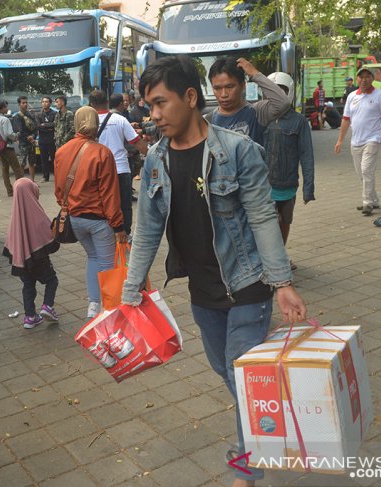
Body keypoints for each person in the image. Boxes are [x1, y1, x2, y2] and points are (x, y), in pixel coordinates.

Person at [122, 55, 306, 487]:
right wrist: (131, 293)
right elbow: (146, 230)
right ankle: (272, 416)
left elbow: (263, 217)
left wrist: (282, 283)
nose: (153, 115)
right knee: (228, 373)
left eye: (160, 104)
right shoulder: (155, 161)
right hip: (202, 291)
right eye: (148, 106)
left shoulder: (238, 151)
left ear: (189, 98)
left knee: (241, 376)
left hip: (247, 283)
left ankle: (247, 468)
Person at [54, 106, 127, 318]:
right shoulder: (102, 153)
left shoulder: (61, 151)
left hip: (74, 219)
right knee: (106, 264)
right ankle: (108, 311)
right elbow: (110, 194)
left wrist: (67, 205)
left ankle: (93, 306)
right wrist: (118, 226)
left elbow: (59, 190)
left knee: (93, 257)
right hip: (99, 220)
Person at [264, 72, 315, 270]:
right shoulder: (259, 117)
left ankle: (280, 256)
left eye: (281, 91)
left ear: (289, 93)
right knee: (266, 224)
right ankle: (269, 259)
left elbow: (307, 155)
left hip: (287, 184)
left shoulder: (299, 122)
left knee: (284, 222)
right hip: (262, 184)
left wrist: (308, 188)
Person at [334, 66, 381, 216]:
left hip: (373, 138)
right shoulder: (352, 96)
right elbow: (346, 120)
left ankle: (367, 203)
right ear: (357, 79)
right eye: (361, 77)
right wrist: (340, 140)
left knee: (366, 170)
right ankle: (374, 199)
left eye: (367, 76)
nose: (364, 79)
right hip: (356, 141)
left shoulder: (380, 96)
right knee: (362, 173)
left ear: (372, 78)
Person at [3, 178, 60, 328]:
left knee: (28, 286)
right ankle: (47, 306)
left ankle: (30, 317)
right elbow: (48, 231)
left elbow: (10, 242)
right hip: (38, 258)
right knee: (52, 280)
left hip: (21, 259)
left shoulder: (15, 217)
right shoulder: (36, 211)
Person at [90, 90, 148, 237]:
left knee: (103, 204)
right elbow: (137, 142)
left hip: (99, 171)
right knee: (124, 204)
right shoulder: (119, 119)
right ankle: (125, 234)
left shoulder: (89, 122)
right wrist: (154, 156)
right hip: (121, 169)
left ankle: (106, 234)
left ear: (91, 104)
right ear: (107, 102)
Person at [204, 56, 289, 145]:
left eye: (230, 87)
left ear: (243, 85)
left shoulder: (256, 112)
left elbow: (283, 103)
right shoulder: (207, 121)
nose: (223, 94)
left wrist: (254, 73)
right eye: (217, 88)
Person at [0, 98, 24, 197]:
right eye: (5, 106)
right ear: (1, 108)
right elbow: (8, 133)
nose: (7, 108)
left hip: (0, 147)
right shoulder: (5, 119)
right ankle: (22, 190)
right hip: (7, 146)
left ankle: (10, 191)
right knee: (17, 168)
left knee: (5, 169)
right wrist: (16, 135)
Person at [13, 95, 39, 181]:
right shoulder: (17, 117)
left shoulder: (30, 114)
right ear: (19, 104)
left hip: (31, 143)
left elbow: (35, 127)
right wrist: (29, 137)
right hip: (23, 143)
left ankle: (32, 181)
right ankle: (21, 183)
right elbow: (19, 131)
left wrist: (33, 136)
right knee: (22, 164)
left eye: (26, 102)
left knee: (32, 163)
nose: (25, 104)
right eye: (23, 103)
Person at [35, 96, 56, 182]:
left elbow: (55, 125)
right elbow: (38, 126)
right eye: (43, 102)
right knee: (43, 159)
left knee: (54, 159)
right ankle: (45, 176)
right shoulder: (38, 114)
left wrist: (45, 125)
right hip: (42, 140)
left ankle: (57, 176)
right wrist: (48, 126)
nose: (44, 103)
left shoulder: (55, 114)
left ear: (50, 103)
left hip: (52, 139)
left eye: (46, 102)